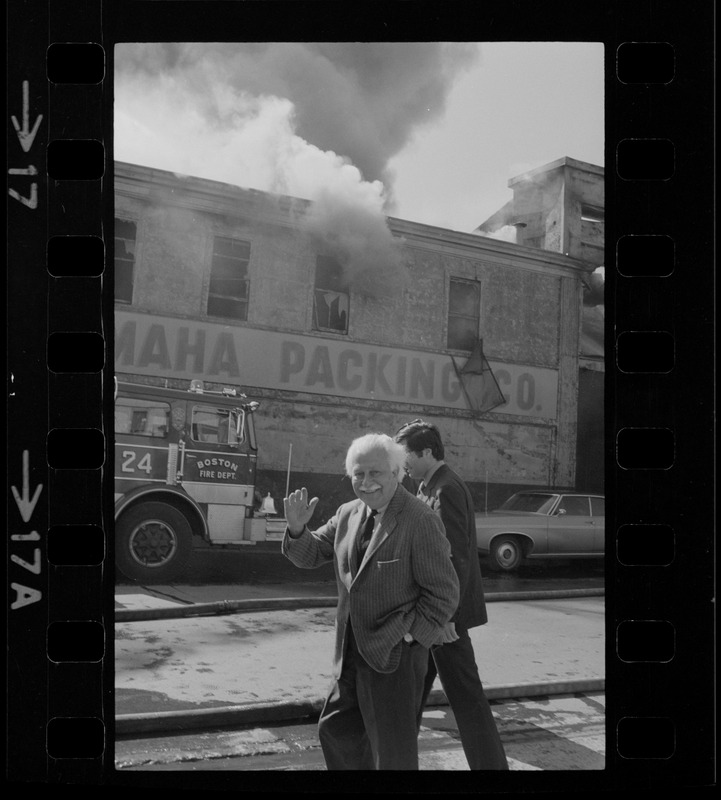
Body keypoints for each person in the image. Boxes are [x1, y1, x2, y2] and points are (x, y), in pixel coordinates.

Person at [282, 433, 460, 770]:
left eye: (376, 473)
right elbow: (313, 552)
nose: (366, 483)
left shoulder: (419, 520)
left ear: (397, 473)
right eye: (358, 474)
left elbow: (444, 593)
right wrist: (296, 530)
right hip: (350, 655)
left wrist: (410, 636)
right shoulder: (348, 513)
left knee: (393, 753)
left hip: (395, 657)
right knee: (335, 730)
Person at [395, 419, 509, 771]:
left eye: (407, 457)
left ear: (427, 453)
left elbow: (455, 558)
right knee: (411, 691)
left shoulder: (447, 489)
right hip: (432, 612)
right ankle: (396, 758)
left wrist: (445, 617)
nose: (404, 466)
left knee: (467, 697)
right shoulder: (429, 486)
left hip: (446, 618)